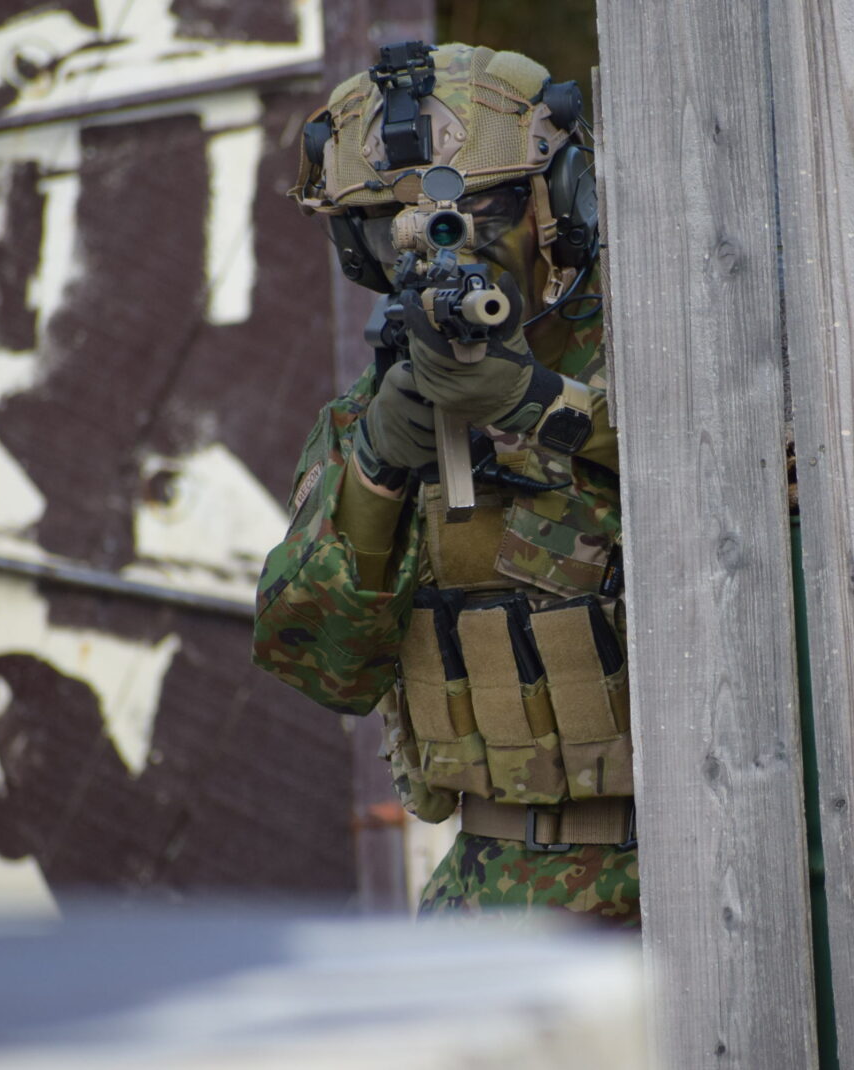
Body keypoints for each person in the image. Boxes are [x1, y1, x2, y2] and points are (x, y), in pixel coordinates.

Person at [252, 42, 637, 926]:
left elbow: (749, 506)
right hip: (499, 893)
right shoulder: (369, 419)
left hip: (709, 864)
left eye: (483, 211)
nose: (430, 246)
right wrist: (379, 470)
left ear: (560, 204)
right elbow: (323, 666)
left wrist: (542, 407)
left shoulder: (655, 355)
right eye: (386, 224)